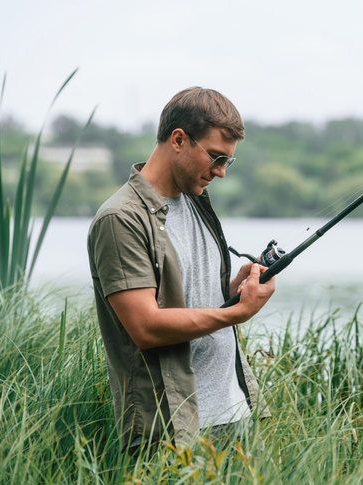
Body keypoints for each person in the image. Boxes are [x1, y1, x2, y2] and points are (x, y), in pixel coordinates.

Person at [87, 87, 275, 453]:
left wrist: (232, 292)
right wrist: (237, 313)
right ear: (178, 139)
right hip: (173, 432)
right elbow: (145, 326)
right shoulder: (120, 219)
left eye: (228, 162)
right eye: (217, 158)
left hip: (236, 413)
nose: (221, 172)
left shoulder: (196, 198)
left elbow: (195, 299)